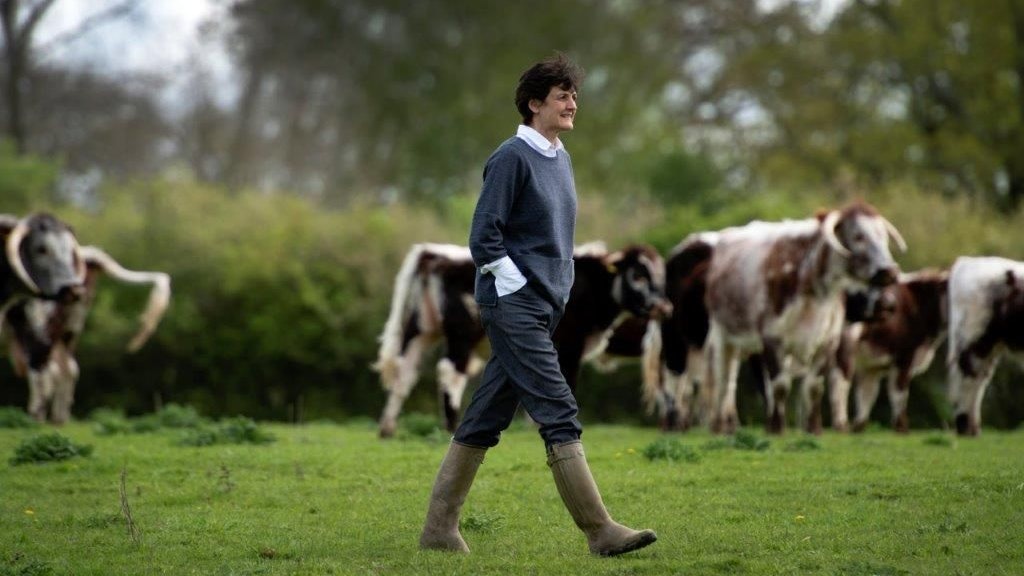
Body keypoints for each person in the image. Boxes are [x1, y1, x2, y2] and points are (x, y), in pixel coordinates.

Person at [418, 52, 658, 557]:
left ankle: (439, 530)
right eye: (562, 95)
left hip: (546, 305)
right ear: (534, 104)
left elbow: (553, 238)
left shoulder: (559, 157)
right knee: (558, 408)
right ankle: (599, 531)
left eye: (574, 94)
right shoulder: (511, 157)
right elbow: (484, 236)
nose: (573, 102)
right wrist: (514, 286)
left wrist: (557, 289)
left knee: (486, 415)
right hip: (516, 305)